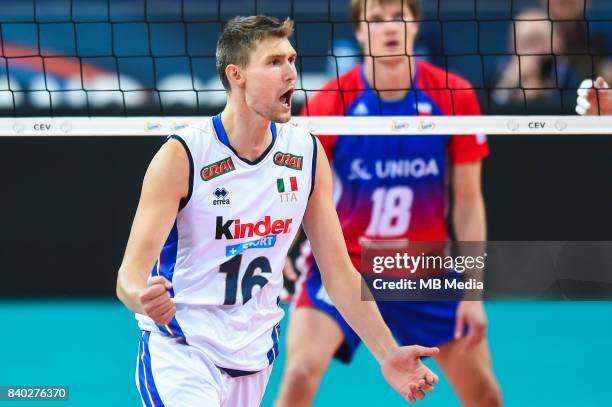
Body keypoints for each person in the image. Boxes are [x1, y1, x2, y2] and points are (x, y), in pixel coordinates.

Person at [116, 15, 440, 407]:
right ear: (237, 75)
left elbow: (338, 271)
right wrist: (142, 297)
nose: (291, 73)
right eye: (274, 63)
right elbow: (129, 275)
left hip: (253, 353)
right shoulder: (183, 155)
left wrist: (388, 354)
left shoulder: (305, 153)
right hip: (182, 348)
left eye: (291, 60)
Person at [275, 1, 502, 406]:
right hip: (347, 266)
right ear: (360, 33)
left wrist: (473, 292)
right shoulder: (330, 103)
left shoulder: (454, 95)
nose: (388, 28)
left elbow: (469, 202)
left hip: (422, 269)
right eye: (375, 20)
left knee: (485, 395)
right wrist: (285, 255)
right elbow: (298, 195)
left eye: (399, 16)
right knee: (298, 377)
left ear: (415, 25)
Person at [491, 8, 583, 114]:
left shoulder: (571, 75)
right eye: (527, 42)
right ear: (511, 45)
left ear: (557, 42)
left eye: (539, 41)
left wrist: (544, 95)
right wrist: (507, 86)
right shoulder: (498, 73)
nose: (533, 51)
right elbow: (489, 113)